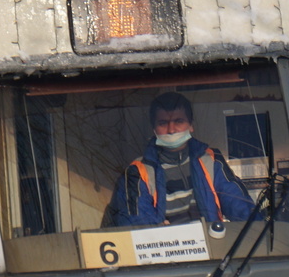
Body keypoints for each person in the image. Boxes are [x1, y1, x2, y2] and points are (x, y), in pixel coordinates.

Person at [105, 93, 256, 227]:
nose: (171, 130)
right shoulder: (137, 172)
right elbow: (136, 225)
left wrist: (258, 231)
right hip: (166, 253)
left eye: (178, 121)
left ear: (191, 126)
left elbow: (241, 208)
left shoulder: (211, 160)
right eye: (163, 123)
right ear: (154, 129)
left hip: (212, 250)